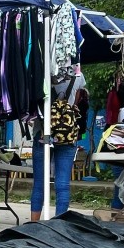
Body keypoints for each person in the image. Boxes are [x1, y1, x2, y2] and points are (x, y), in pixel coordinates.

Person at [30, 76, 87, 221]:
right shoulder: (78, 75)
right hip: (68, 135)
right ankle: (59, 226)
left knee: (39, 183)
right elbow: (76, 101)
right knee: (63, 184)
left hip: (43, 132)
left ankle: (33, 224)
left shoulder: (42, 71)